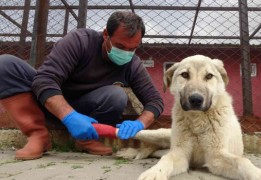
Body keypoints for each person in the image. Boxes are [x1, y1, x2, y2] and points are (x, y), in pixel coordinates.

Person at [0, 11, 164, 160]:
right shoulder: (80, 41)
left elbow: (155, 101)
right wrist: (69, 116)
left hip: (87, 114)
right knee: (5, 64)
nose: (126, 53)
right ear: (106, 34)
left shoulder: (132, 64)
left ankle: (87, 139)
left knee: (116, 95)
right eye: (120, 46)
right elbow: (45, 80)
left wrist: (140, 123)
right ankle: (38, 135)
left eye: (132, 48)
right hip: (48, 104)